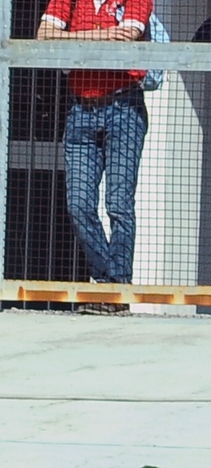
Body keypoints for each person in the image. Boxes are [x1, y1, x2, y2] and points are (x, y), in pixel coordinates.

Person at [38, 0, 152, 311]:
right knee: (78, 203)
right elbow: (44, 35)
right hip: (81, 109)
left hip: (124, 108)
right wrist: (102, 33)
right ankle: (107, 284)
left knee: (118, 204)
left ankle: (116, 290)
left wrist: (73, 36)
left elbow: (127, 34)